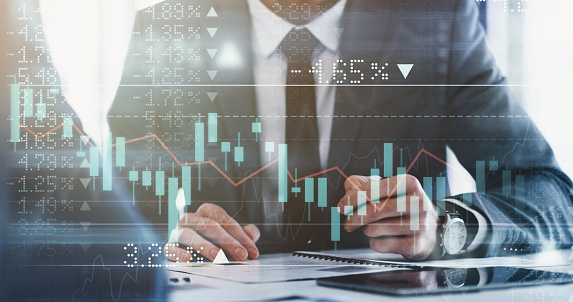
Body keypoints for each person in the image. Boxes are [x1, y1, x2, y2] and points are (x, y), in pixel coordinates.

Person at [109, 0, 573, 262]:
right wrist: (164, 237)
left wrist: (446, 225)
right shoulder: (168, 31)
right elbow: (95, 212)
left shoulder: (435, 21)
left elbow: (552, 196)